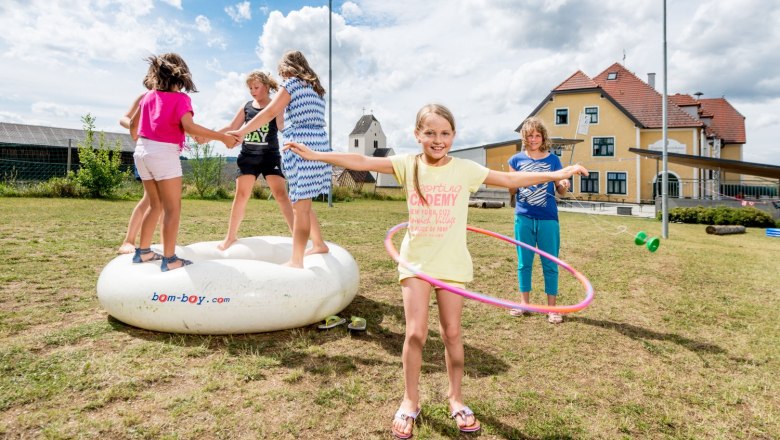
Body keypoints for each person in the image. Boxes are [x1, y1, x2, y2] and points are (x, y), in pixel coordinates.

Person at [284, 104, 588, 438]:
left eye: (444, 133)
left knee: (452, 334)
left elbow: (510, 178)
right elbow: (362, 161)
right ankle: (409, 400)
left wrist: (557, 173)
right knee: (415, 333)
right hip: (416, 263)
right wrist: (316, 155)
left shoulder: (464, 169)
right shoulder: (407, 165)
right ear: (417, 135)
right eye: (429, 133)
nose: (437, 139)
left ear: (454, 136)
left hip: (452, 264)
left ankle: (456, 398)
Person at [227, 50, 330, 268]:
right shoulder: (316, 88)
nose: (281, 75)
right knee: (305, 198)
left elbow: (268, 113)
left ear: (287, 67)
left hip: (300, 145)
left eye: (282, 70)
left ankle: (296, 260)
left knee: (299, 205)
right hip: (319, 143)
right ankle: (319, 243)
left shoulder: (291, 84)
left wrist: (243, 132)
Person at [133, 53, 236, 271]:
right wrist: (222, 137)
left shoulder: (148, 97)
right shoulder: (181, 99)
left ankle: (142, 252)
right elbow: (188, 127)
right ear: (181, 76)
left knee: (155, 205)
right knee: (172, 209)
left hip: (142, 151)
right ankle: (170, 259)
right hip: (164, 154)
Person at [216, 71, 294, 250]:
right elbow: (231, 127)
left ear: (266, 87)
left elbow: (282, 127)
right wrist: (210, 137)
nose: (253, 91)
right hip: (248, 157)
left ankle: (297, 234)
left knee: (281, 195)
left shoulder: (276, 106)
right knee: (241, 195)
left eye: (256, 87)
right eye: (250, 87)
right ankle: (230, 237)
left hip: (270, 156)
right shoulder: (246, 106)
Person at [507, 117, 570, 324]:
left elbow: (560, 192)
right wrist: (514, 183)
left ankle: (551, 309)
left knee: (550, 264)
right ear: (524, 137)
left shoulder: (553, 161)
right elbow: (511, 188)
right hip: (523, 217)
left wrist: (563, 184)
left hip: (548, 220)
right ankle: (524, 304)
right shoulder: (515, 161)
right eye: (529, 135)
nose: (533, 139)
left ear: (543, 137)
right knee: (524, 263)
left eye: (537, 135)